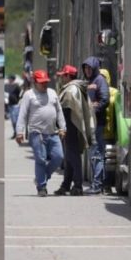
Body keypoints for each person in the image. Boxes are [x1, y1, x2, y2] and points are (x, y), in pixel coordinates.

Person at [16, 69, 66, 197]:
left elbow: (59, 111)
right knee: (41, 159)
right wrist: (19, 132)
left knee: (58, 157)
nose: (44, 85)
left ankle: (43, 176)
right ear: (35, 82)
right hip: (36, 133)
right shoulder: (29, 95)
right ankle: (41, 187)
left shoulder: (52, 93)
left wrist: (62, 127)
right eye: (41, 82)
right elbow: (23, 114)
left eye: (46, 82)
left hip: (52, 132)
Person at [54, 65, 92, 196]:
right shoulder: (73, 88)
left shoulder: (71, 90)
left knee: (73, 157)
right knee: (69, 157)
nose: (61, 78)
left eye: (63, 75)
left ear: (69, 76)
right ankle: (66, 185)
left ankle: (77, 185)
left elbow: (66, 111)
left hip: (70, 126)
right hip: (71, 126)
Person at [82, 56, 109, 195]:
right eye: (85, 68)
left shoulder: (100, 80)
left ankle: (97, 185)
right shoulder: (89, 81)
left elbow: (105, 99)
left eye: (89, 68)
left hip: (97, 122)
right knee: (94, 154)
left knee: (97, 154)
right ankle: (99, 184)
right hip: (90, 123)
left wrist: (93, 109)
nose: (87, 71)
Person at [5, 75, 21, 139]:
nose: (9, 79)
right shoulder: (6, 86)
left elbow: (19, 94)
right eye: (8, 78)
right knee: (12, 121)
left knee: (15, 120)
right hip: (9, 105)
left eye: (10, 78)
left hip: (15, 105)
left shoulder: (16, 86)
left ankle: (18, 133)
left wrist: (18, 100)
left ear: (13, 79)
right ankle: (15, 132)